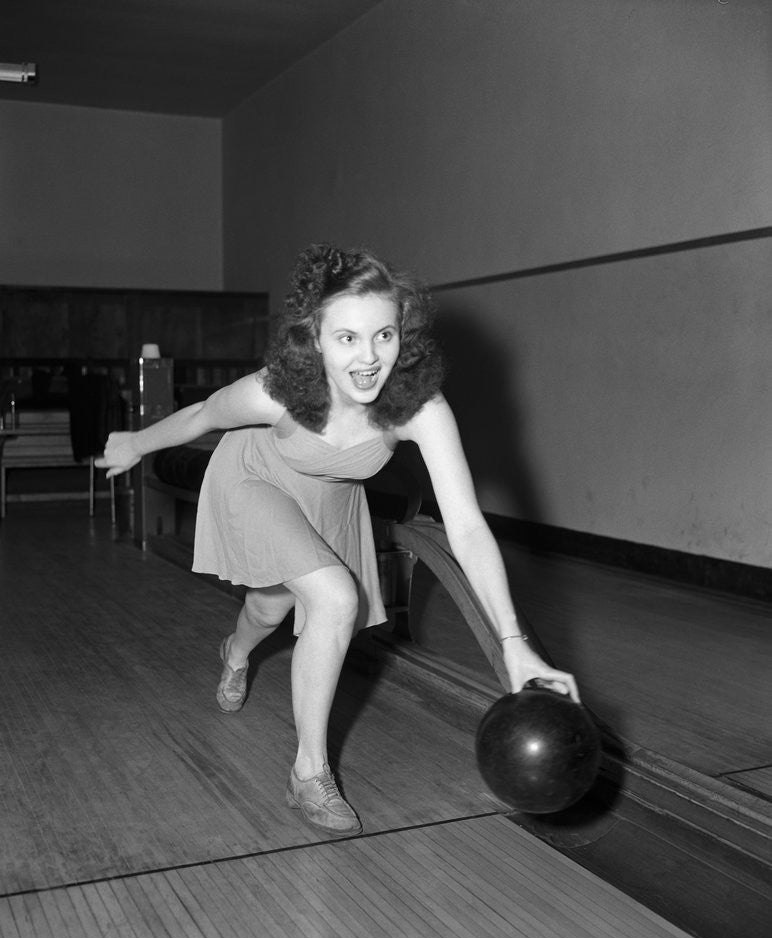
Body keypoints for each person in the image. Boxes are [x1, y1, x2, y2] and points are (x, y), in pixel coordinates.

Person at [97, 244, 578, 838]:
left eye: (384, 335)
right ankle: (309, 773)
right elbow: (201, 415)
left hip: (332, 498)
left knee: (270, 605)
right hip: (257, 476)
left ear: (405, 335)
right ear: (315, 341)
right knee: (334, 598)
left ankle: (236, 652)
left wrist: (513, 643)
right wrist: (136, 443)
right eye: (347, 338)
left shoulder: (419, 406)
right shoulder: (276, 390)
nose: (370, 357)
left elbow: (468, 526)